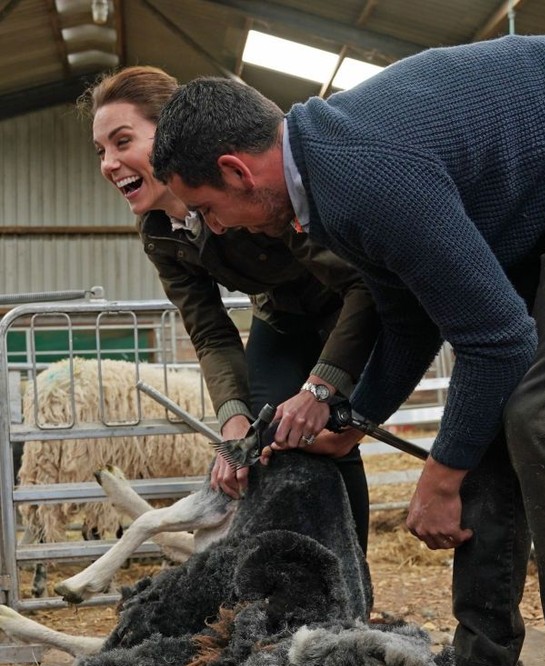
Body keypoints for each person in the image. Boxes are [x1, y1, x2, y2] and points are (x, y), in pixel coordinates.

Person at [150, 36, 545, 666]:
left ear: (236, 169)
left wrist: (441, 476)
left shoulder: (360, 173)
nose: (215, 230)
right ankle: (484, 662)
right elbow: (407, 315)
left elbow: (498, 340)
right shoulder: (326, 179)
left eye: (207, 208)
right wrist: (350, 417)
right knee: (501, 416)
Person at [80, 66, 380, 550]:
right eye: (100, 151)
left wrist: (322, 387)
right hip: (278, 315)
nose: (109, 164)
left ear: (173, 133)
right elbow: (210, 331)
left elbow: (358, 286)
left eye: (122, 141)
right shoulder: (159, 232)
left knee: (325, 439)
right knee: (264, 443)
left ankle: (348, 590)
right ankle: (287, 579)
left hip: (344, 308)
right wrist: (233, 418)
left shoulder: (247, 186)